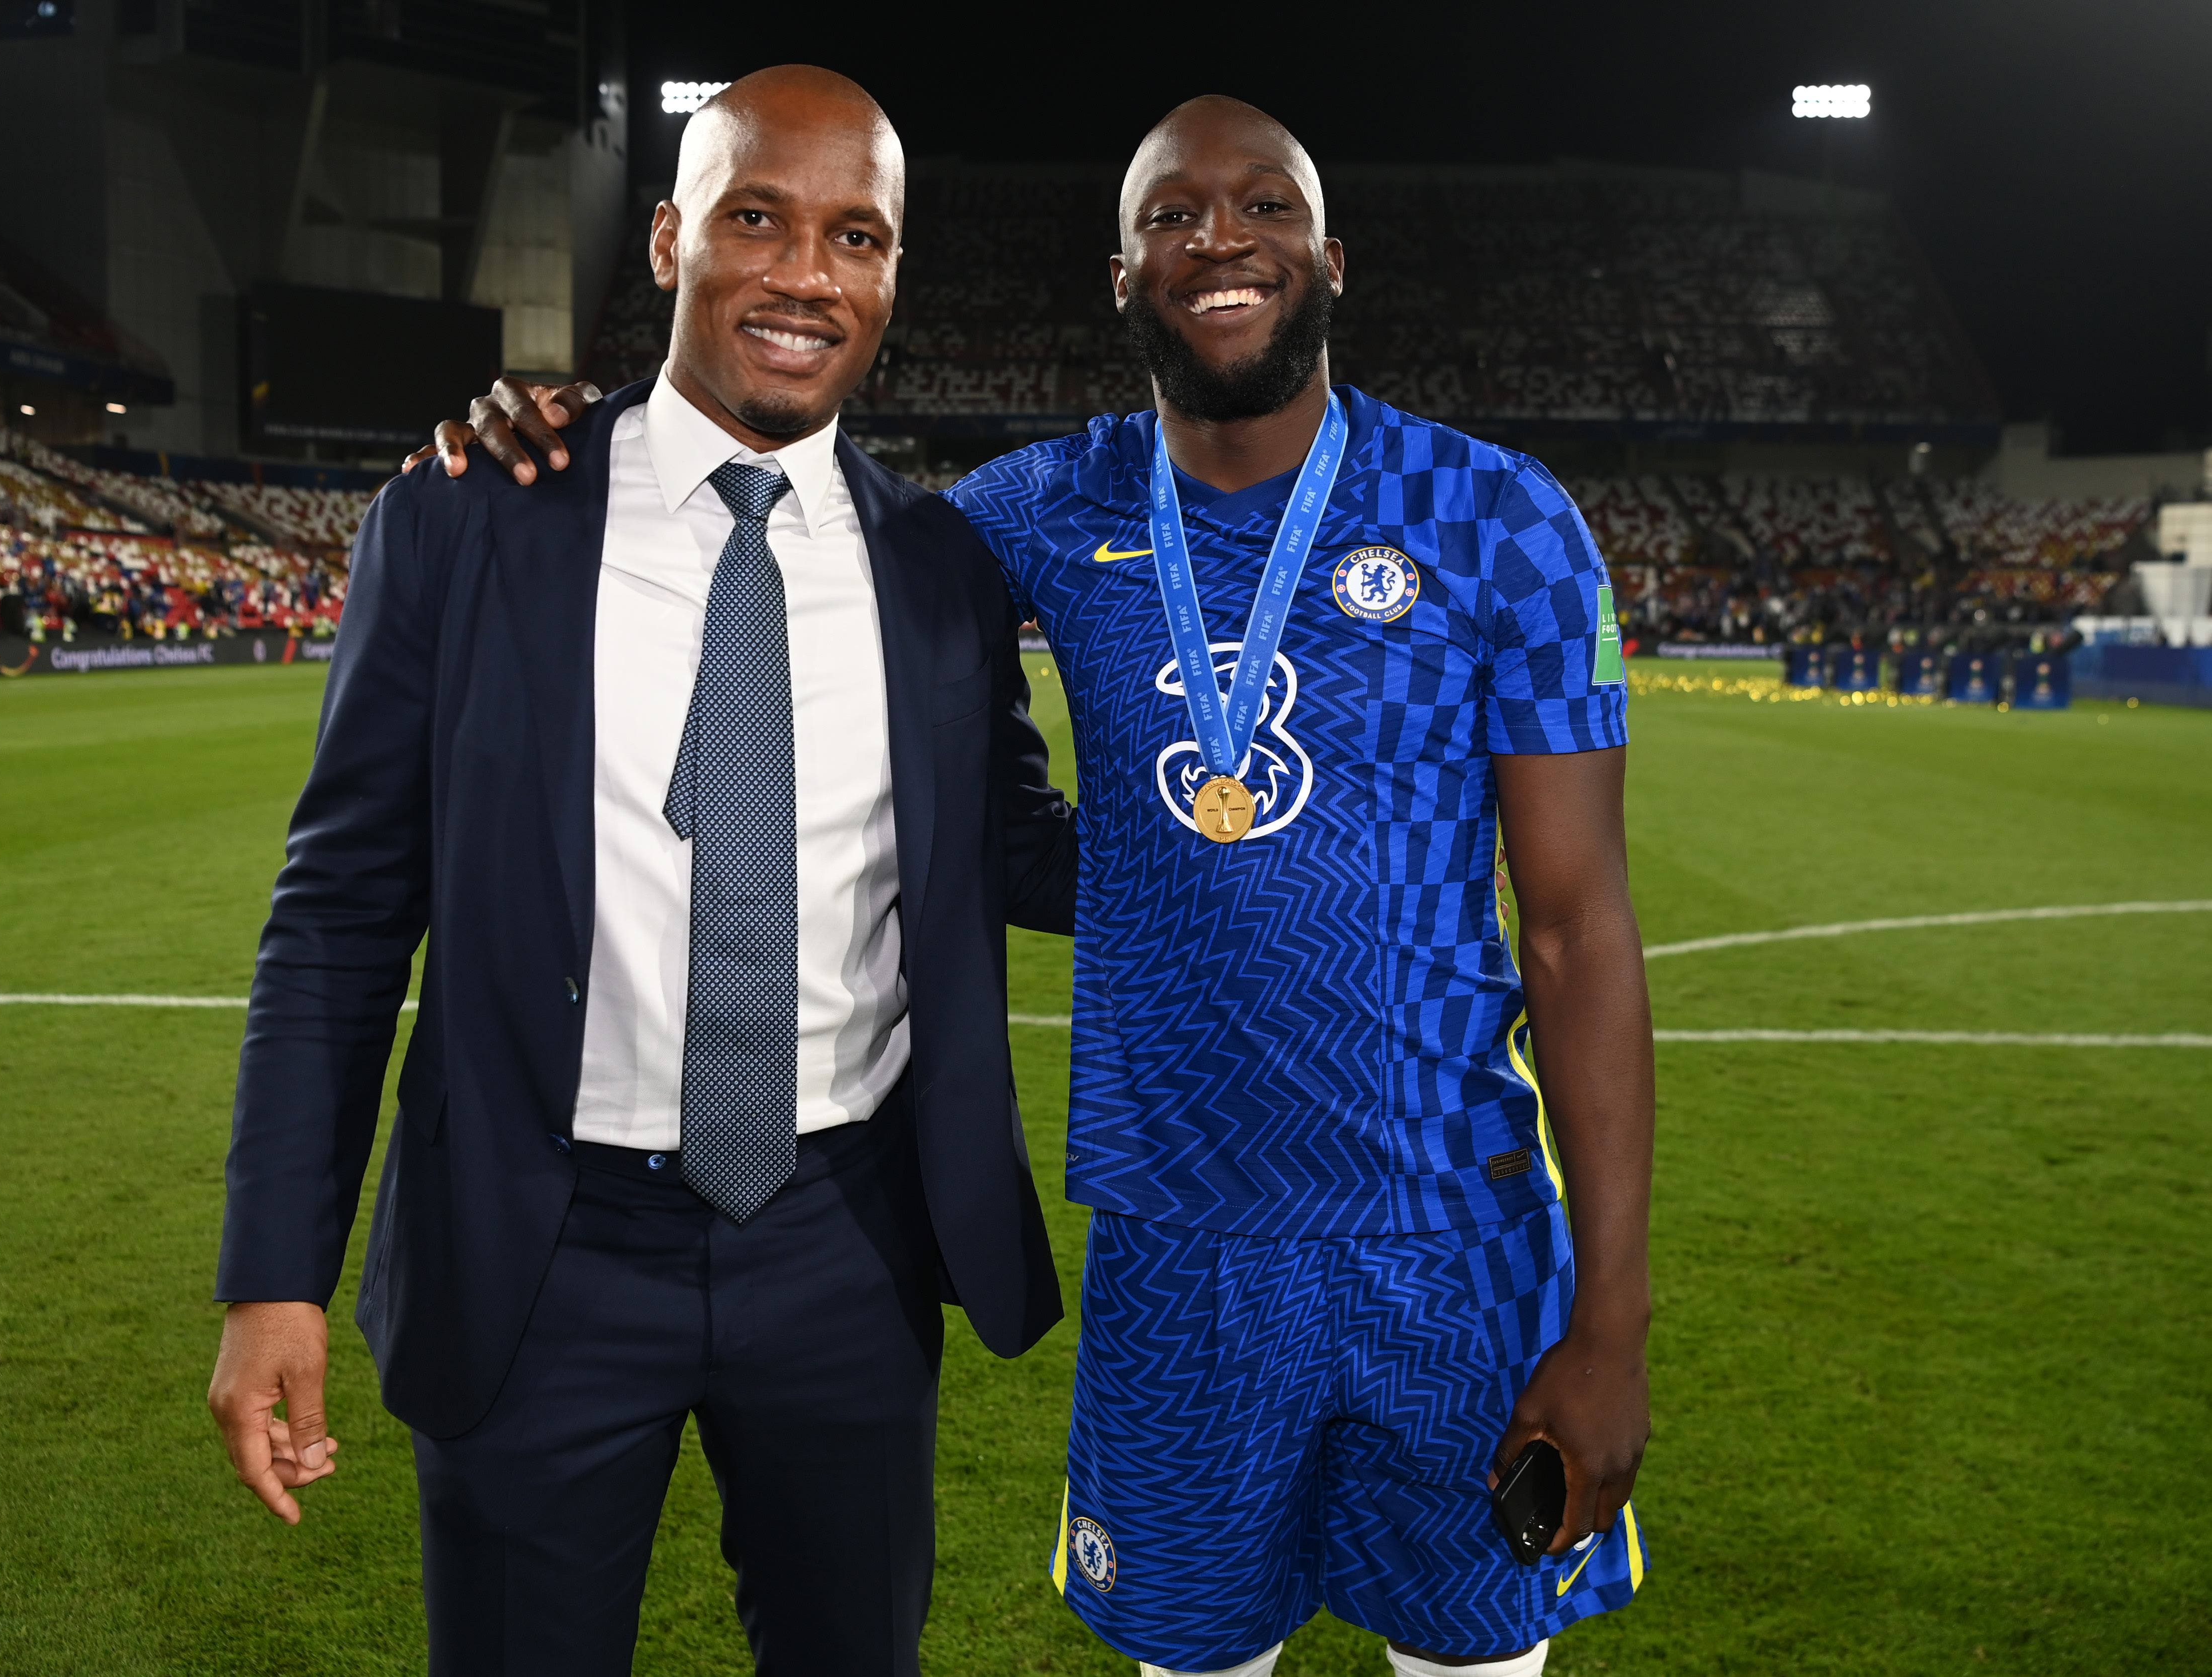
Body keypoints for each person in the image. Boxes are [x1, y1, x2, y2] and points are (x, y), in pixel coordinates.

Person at [423, 89, 1657, 1677]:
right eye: (1172, 217)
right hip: (1176, 1242)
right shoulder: (1035, 512)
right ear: (1123, 277)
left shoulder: (1501, 521)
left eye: (1264, 208)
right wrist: (546, 433)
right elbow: (782, 534)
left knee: (1475, 1668)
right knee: (1195, 1665)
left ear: (1332, 258)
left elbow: (1575, 927)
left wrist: (1610, 1322)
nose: (1220, 239)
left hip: (1457, 1238)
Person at [210, 66, 1078, 1677]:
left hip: (847, 1240)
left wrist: (1309, 841)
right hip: (540, 1242)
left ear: (892, 276)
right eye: (759, 218)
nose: (807, 273)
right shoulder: (474, 515)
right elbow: (337, 915)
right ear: (672, 239)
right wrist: (276, 1275)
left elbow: (1016, 847)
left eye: (857, 237)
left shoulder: (945, 572)